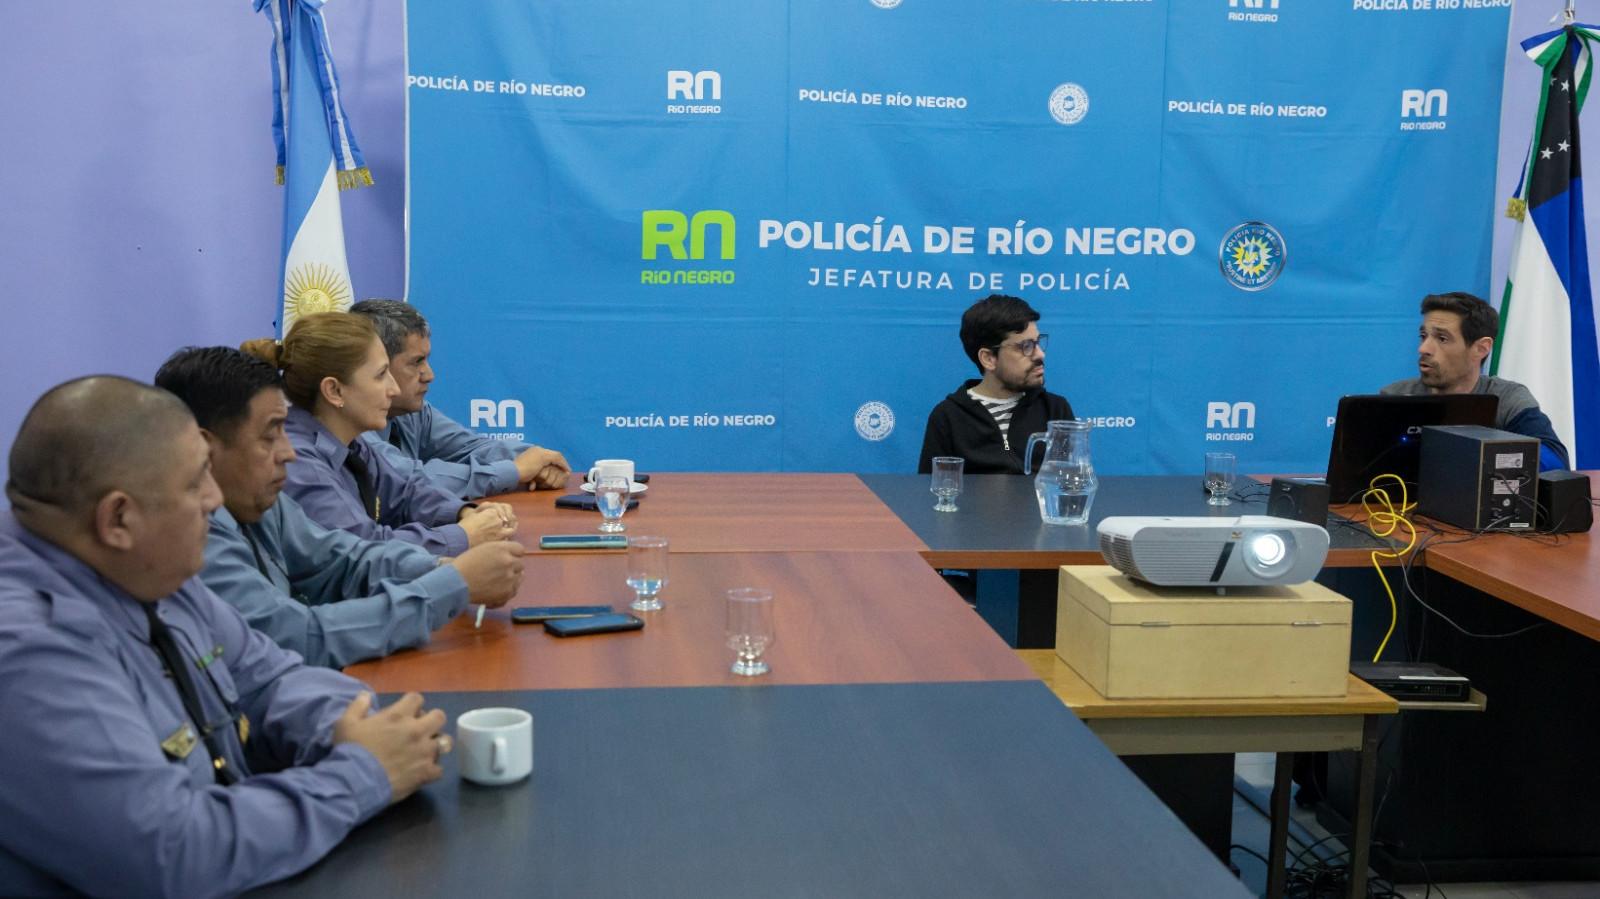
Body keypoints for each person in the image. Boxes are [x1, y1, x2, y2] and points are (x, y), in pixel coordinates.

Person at [0, 376, 452, 896]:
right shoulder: (33, 655)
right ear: (118, 518)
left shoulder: (143, 568)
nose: (214, 499)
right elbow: (174, 854)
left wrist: (343, 728)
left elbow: (270, 676)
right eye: (196, 483)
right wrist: (363, 773)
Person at [155, 347, 526, 668]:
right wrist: (452, 584)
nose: (287, 452)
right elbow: (297, 636)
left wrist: (441, 568)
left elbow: (345, 561)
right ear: (202, 449)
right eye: (270, 435)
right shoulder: (193, 536)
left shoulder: (260, 499)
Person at [241, 312, 519, 555]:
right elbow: (364, 550)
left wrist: (464, 513)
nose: (394, 389)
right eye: (381, 375)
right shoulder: (297, 461)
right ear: (334, 390)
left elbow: (405, 493)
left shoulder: (350, 442)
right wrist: (464, 535)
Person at [351, 299, 569, 498]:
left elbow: (471, 448)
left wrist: (537, 460)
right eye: (416, 362)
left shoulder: (412, 412)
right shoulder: (350, 423)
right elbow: (406, 479)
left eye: (426, 360)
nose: (429, 375)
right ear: (377, 364)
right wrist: (514, 471)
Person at [1381, 291, 1569, 470]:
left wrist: (1482, 457)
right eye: (1424, 336)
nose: (1424, 348)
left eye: (1442, 338)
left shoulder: (1507, 399)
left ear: (1481, 348)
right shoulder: (1394, 397)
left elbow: (1556, 461)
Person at [919, 294, 1075, 474]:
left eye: (1038, 343)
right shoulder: (948, 417)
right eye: (1026, 346)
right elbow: (934, 488)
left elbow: (1071, 482)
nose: (1040, 354)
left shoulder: (1055, 410)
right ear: (988, 358)